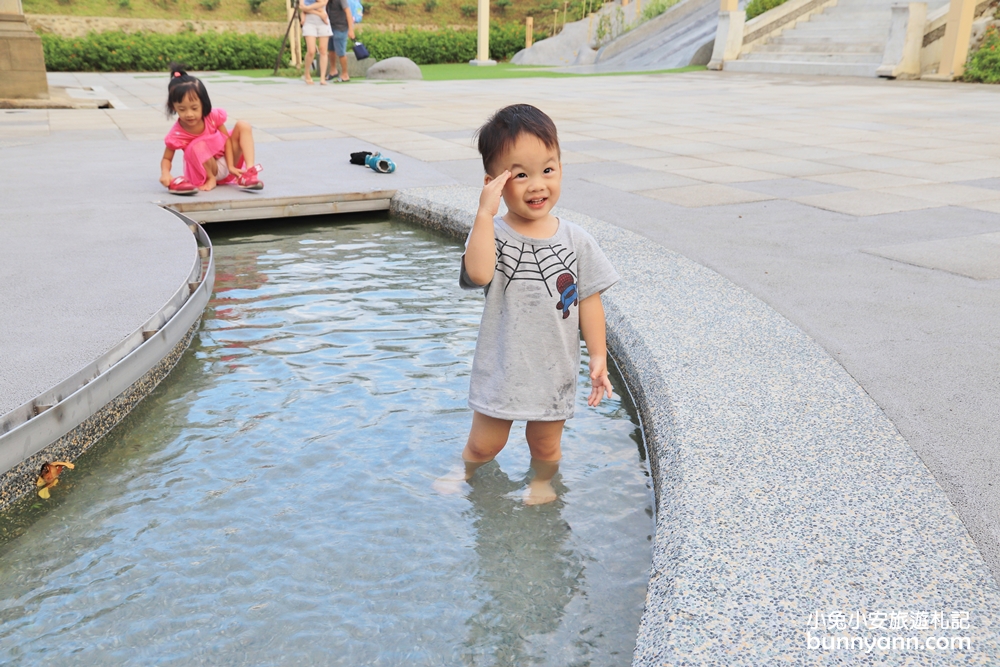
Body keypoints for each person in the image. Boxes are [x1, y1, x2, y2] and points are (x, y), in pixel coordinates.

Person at [435, 104, 620, 505]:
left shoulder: (577, 239)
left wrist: (599, 355)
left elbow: (589, 299)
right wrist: (484, 212)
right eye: (521, 175)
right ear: (495, 182)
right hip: (502, 364)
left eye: (548, 170)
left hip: (553, 367)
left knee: (546, 446)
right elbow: (480, 274)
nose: (538, 185)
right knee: (485, 444)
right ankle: (464, 468)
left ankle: (542, 482)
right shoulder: (492, 233)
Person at [159, 65, 263, 193]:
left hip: (228, 161)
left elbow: (227, 141)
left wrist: (230, 166)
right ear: (173, 107)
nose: (189, 114)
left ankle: (248, 173)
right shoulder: (177, 134)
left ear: (204, 103)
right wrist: (165, 173)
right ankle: (211, 178)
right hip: (205, 171)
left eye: (194, 108)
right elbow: (166, 158)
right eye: (182, 109)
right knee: (198, 144)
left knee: (243, 125)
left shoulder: (212, 117)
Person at [300, 0, 332, 85]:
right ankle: (307, 73)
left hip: (323, 22)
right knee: (311, 50)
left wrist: (307, 9)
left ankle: (322, 78)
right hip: (309, 22)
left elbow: (323, 3)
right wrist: (319, 12)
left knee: (323, 50)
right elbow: (301, 7)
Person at [325, 0, 356, 83]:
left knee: (341, 52)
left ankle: (345, 74)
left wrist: (351, 29)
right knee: (331, 51)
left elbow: (348, 13)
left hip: (341, 28)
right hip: (329, 27)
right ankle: (333, 71)